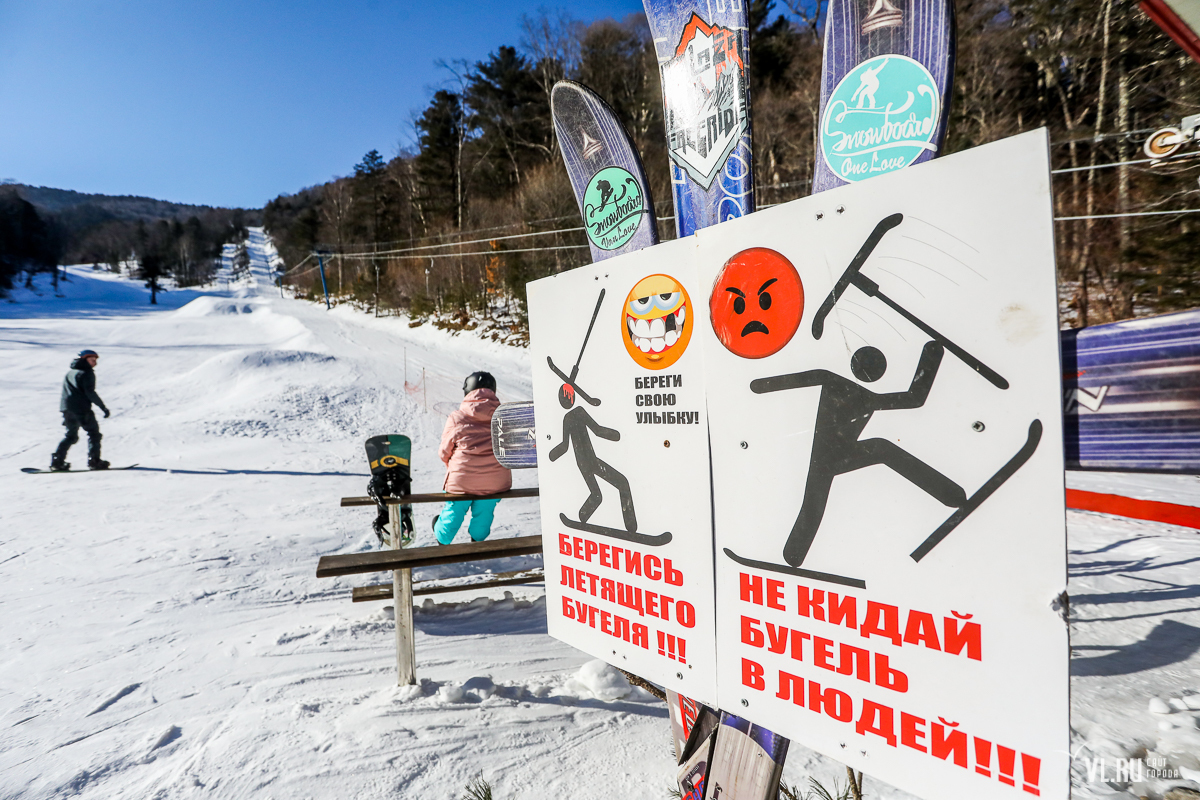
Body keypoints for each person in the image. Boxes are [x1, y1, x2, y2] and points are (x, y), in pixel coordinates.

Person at [433, 371, 511, 544]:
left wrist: (454, 466)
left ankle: (442, 538)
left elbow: (443, 452)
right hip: (495, 481)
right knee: (485, 509)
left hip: (462, 479)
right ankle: (478, 539)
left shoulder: (457, 417)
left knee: (454, 509)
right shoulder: (504, 417)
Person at [51, 349, 111, 471]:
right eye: (92, 360)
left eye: (95, 360)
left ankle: (57, 462)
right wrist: (102, 407)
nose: (94, 363)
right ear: (84, 360)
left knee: (71, 436)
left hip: (67, 408)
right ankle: (94, 461)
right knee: (94, 434)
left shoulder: (70, 373)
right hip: (82, 409)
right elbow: (90, 392)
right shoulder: (86, 373)